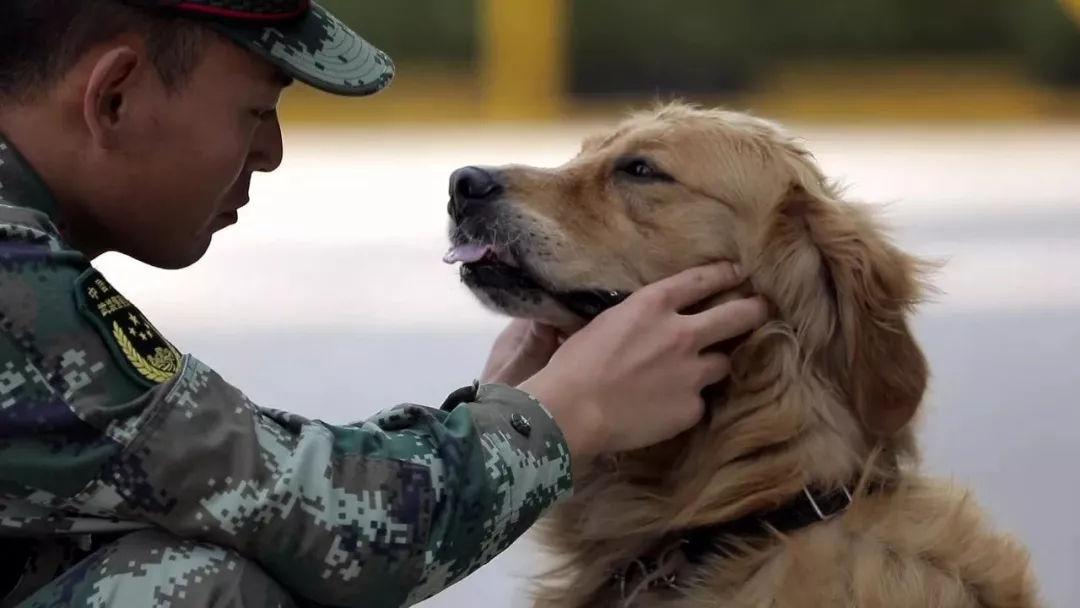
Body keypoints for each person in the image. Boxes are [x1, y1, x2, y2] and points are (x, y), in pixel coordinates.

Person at [0, 1, 768, 606]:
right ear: (115, 96)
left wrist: (507, 406)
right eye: (257, 112)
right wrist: (569, 414)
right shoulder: (18, 295)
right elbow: (325, 524)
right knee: (195, 589)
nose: (271, 153)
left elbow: (212, 481)